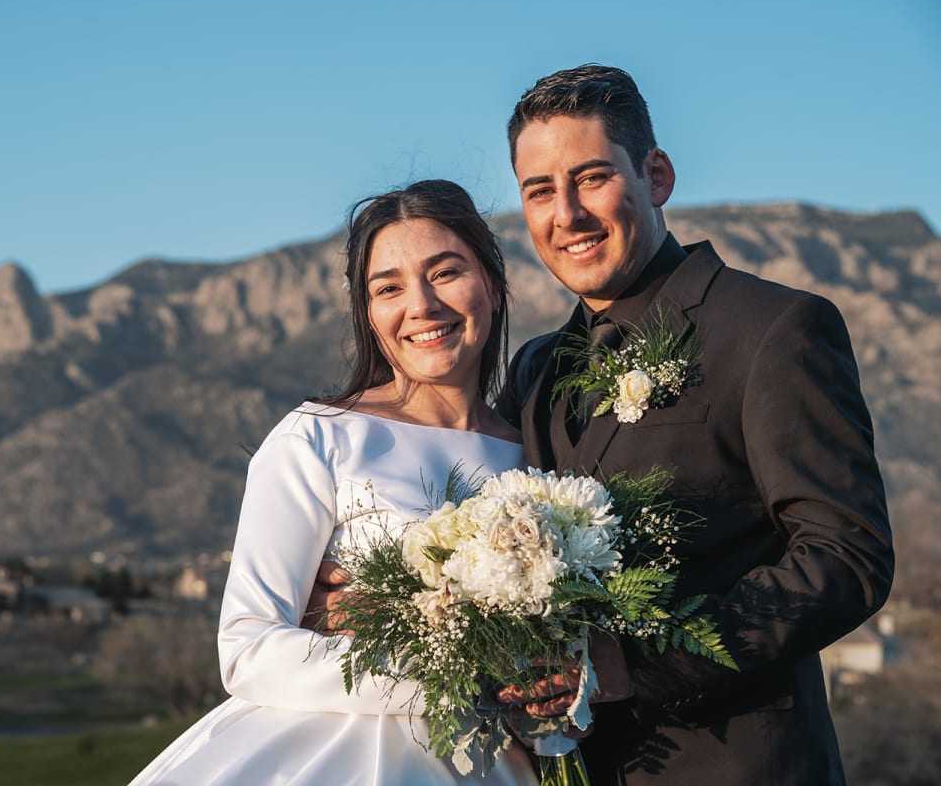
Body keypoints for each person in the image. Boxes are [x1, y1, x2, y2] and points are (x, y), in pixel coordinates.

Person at [492, 65, 895, 784]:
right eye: (539, 191)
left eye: (590, 178)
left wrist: (637, 663)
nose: (567, 215)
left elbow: (845, 558)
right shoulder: (535, 370)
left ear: (656, 175)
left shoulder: (774, 329)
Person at [126, 180, 538, 785]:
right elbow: (247, 647)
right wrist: (437, 672)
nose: (421, 305)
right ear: (369, 314)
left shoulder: (537, 455)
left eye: (446, 272)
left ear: (494, 286)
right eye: (389, 288)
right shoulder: (318, 438)